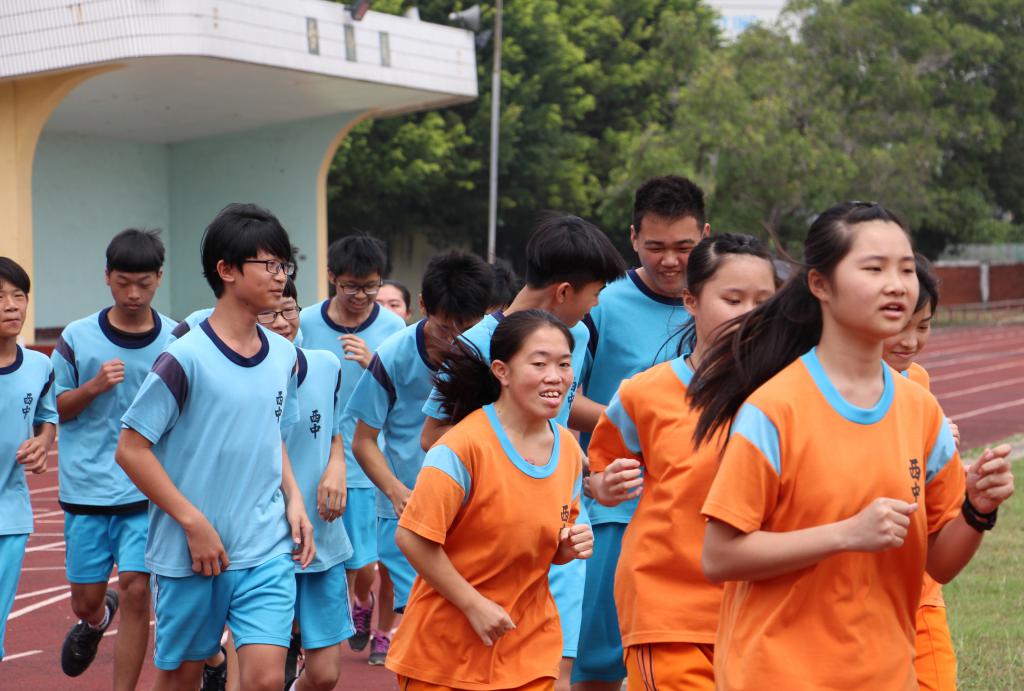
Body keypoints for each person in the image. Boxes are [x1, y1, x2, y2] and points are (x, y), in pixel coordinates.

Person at [689, 201, 1015, 690]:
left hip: (886, 674)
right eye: (874, 268)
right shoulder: (774, 409)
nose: (896, 285)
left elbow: (939, 564)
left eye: (905, 269)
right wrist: (845, 534)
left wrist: (976, 510)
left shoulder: (920, 410)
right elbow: (720, 557)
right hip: (776, 674)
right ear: (820, 284)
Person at [419, 213, 626, 688]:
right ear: (564, 292)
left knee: (556, 672)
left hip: (560, 536)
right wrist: (510, 466)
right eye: (595, 294)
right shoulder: (474, 346)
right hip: (490, 551)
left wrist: (593, 474)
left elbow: (559, 418)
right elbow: (433, 437)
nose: (596, 305)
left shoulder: (577, 334)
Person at [116, 203, 315, 691]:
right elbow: (131, 449)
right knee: (179, 679)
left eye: (284, 265)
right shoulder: (185, 358)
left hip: (265, 546)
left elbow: (271, 434)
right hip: (192, 553)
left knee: (265, 680)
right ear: (226, 270)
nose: (281, 277)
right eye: (268, 265)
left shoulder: (285, 356)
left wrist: (294, 499)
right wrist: (193, 522)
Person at [586, 234, 777, 690]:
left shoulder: (789, 394)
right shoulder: (643, 394)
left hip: (762, 615)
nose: (748, 313)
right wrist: (604, 486)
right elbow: (602, 469)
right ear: (691, 301)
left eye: (762, 301)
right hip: (669, 615)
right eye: (733, 299)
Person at [387, 310, 595, 690]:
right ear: (502, 371)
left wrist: (568, 546)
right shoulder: (461, 447)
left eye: (564, 364)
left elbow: (550, 540)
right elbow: (412, 537)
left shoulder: (567, 449)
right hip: (445, 656)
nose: (555, 376)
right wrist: (473, 604)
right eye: (539, 363)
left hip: (528, 649)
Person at [574, 175, 709, 691]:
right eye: (655, 247)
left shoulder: (726, 303)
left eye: (684, 246)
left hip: (702, 512)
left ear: (706, 235)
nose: (670, 260)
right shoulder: (601, 305)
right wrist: (641, 417)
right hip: (618, 510)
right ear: (633, 238)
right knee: (599, 664)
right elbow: (560, 398)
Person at [347, 250, 492, 665]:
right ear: (424, 306)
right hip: (409, 508)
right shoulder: (393, 355)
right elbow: (363, 441)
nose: (457, 339)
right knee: (426, 620)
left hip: (474, 506)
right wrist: (395, 491)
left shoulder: (493, 351)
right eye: (446, 327)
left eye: (468, 327)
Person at [50, 229, 176, 688]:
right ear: (107, 277)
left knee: (138, 590)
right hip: (86, 488)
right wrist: (92, 387)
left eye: (144, 282)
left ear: (159, 278)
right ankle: (97, 618)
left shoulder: (176, 340)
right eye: (123, 282)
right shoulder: (77, 337)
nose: (134, 293)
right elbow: (55, 409)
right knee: (83, 601)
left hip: (145, 490)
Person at [298, 234, 406, 655]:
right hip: (318, 458)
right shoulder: (306, 322)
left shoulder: (392, 328)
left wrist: (372, 364)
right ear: (331, 278)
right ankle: (318, 634)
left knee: (365, 562)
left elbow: (404, 394)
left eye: (370, 287)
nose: (360, 296)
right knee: (325, 557)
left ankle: (363, 601)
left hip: (369, 458)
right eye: (350, 287)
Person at [263, 278, 354, 691]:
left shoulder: (326, 365)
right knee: (257, 674)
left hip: (320, 536)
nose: (283, 322)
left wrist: (337, 465)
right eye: (269, 313)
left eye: (289, 310)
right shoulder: (238, 375)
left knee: (325, 674)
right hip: (263, 540)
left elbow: (334, 431)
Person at [881, 255, 958, 691]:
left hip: (920, 584)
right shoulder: (811, 389)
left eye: (923, 326)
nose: (910, 341)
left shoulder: (919, 381)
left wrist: (940, 446)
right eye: (900, 326)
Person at [0, 257, 58, 661]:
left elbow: (46, 416)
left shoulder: (40, 365)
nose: (11, 306)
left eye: (18, 295)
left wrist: (43, 442)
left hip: (11, 515)